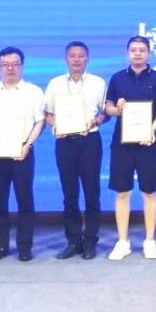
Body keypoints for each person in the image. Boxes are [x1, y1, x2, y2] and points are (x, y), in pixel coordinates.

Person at [0, 47, 45, 262]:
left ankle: (24, 247)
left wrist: (28, 144)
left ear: (22, 66)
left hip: (23, 152)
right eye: (5, 64)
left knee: (25, 200)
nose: (10, 68)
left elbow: (40, 121)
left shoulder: (34, 92)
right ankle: (0, 246)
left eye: (14, 64)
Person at [104, 36, 156, 261]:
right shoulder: (117, 78)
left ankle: (150, 240)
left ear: (148, 53)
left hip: (148, 143)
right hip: (122, 144)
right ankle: (122, 242)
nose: (137, 53)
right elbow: (108, 108)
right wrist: (117, 109)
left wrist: (151, 130)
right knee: (122, 192)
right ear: (127, 53)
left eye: (142, 50)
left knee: (149, 192)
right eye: (133, 50)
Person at [44, 41, 109, 261]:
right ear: (66, 59)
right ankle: (73, 241)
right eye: (72, 55)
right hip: (65, 143)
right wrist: (56, 126)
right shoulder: (55, 84)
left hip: (90, 141)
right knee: (69, 194)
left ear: (87, 58)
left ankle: (90, 241)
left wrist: (96, 121)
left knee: (92, 193)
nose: (77, 59)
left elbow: (106, 113)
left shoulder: (98, 83)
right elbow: (48, 114)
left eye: (81, 55)